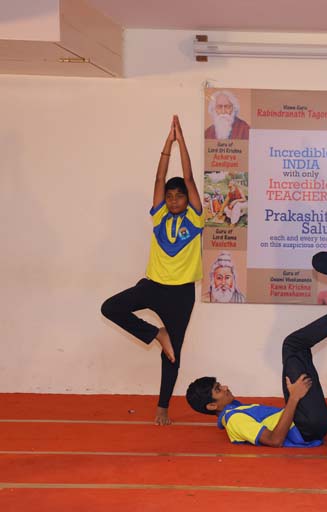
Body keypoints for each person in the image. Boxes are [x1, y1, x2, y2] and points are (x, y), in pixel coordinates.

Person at [101, 115, 202, 426]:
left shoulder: (195, 219)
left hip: (181, 294)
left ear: (187, 199)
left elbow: (188, 177)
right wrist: (166, 145)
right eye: (169, 197)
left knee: (173, 353)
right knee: (110, 307)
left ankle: (163, 407)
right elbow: (160, 179)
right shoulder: (159, 216)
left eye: (179, 196)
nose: (173, 200)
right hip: (153, 286)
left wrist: (181, 141)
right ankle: (157, 333)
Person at [186, 277, 327, 446]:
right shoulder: (234, 419)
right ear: (212, 406)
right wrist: (294, 397)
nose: (225, 387)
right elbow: (274, 440)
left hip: (308, 422)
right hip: (308, 425)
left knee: (298, 348)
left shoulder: (235, 408)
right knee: (293, 345)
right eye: (218, 389)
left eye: (220, 385)